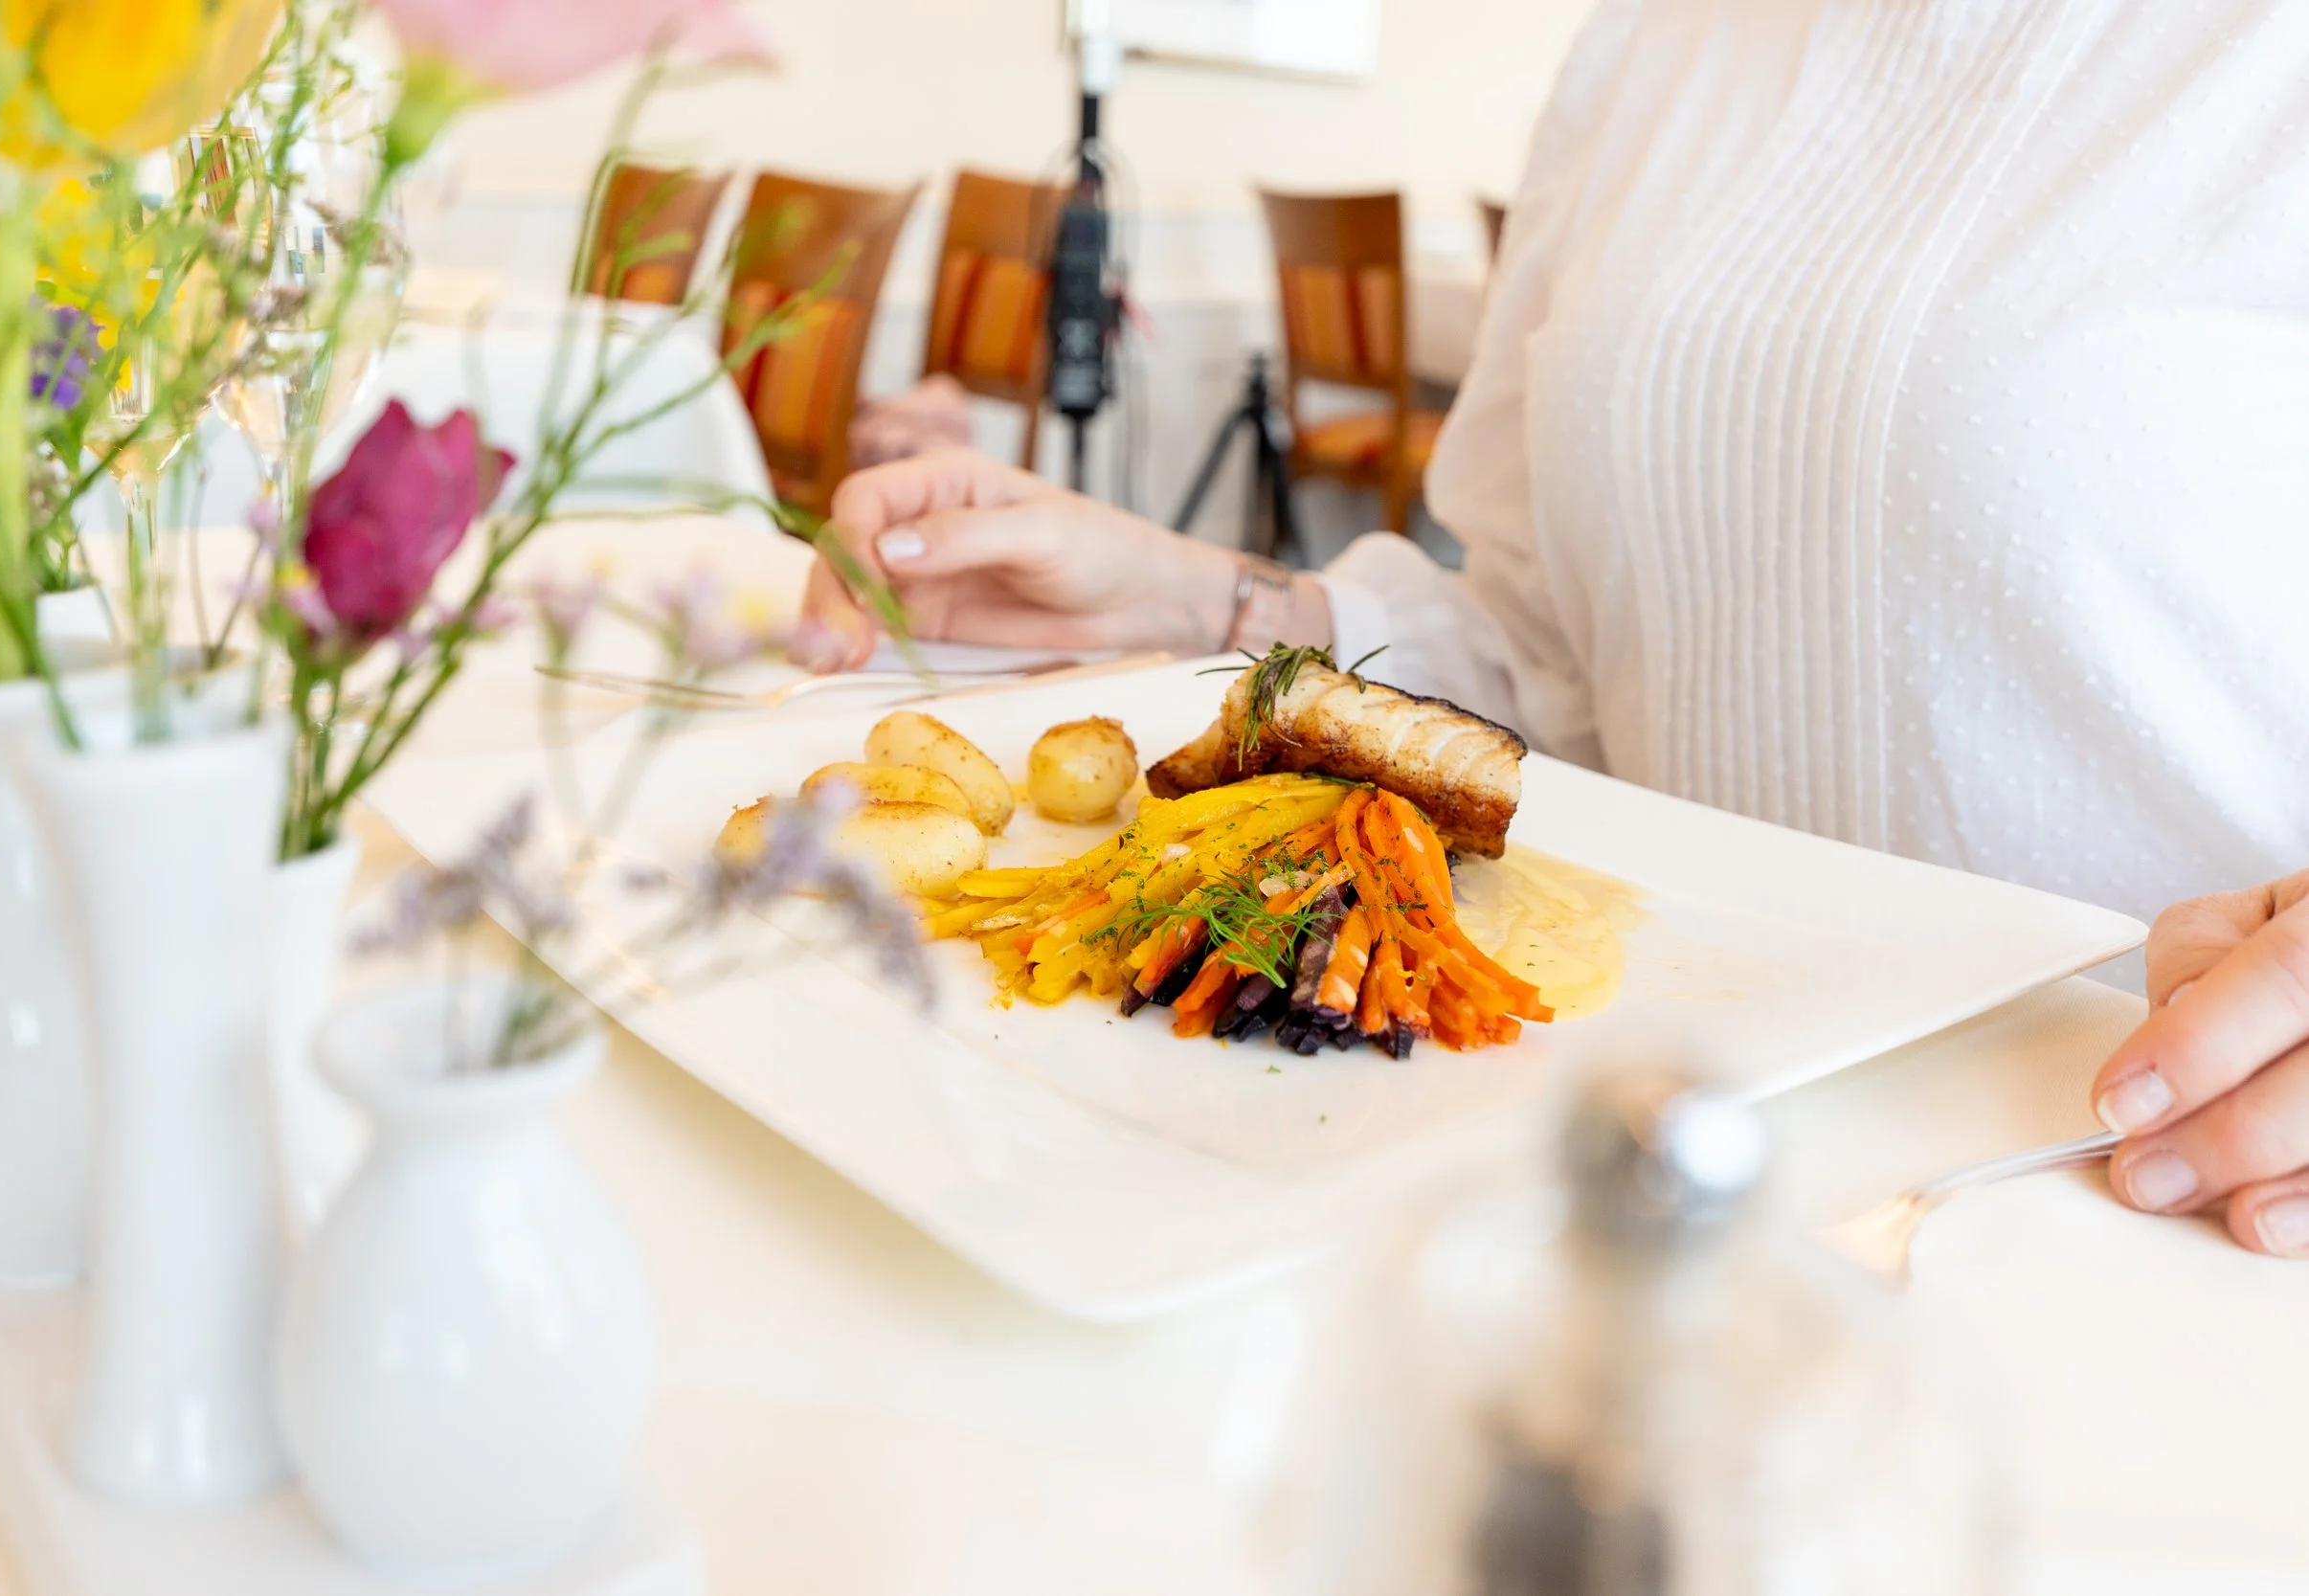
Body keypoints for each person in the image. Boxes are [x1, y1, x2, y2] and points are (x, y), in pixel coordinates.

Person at [791, 0, 2309, 1253]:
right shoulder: (1653, 46)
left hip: (2134, 1190)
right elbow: (1544, 658)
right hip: (1601, 1176)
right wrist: (1208, 601)